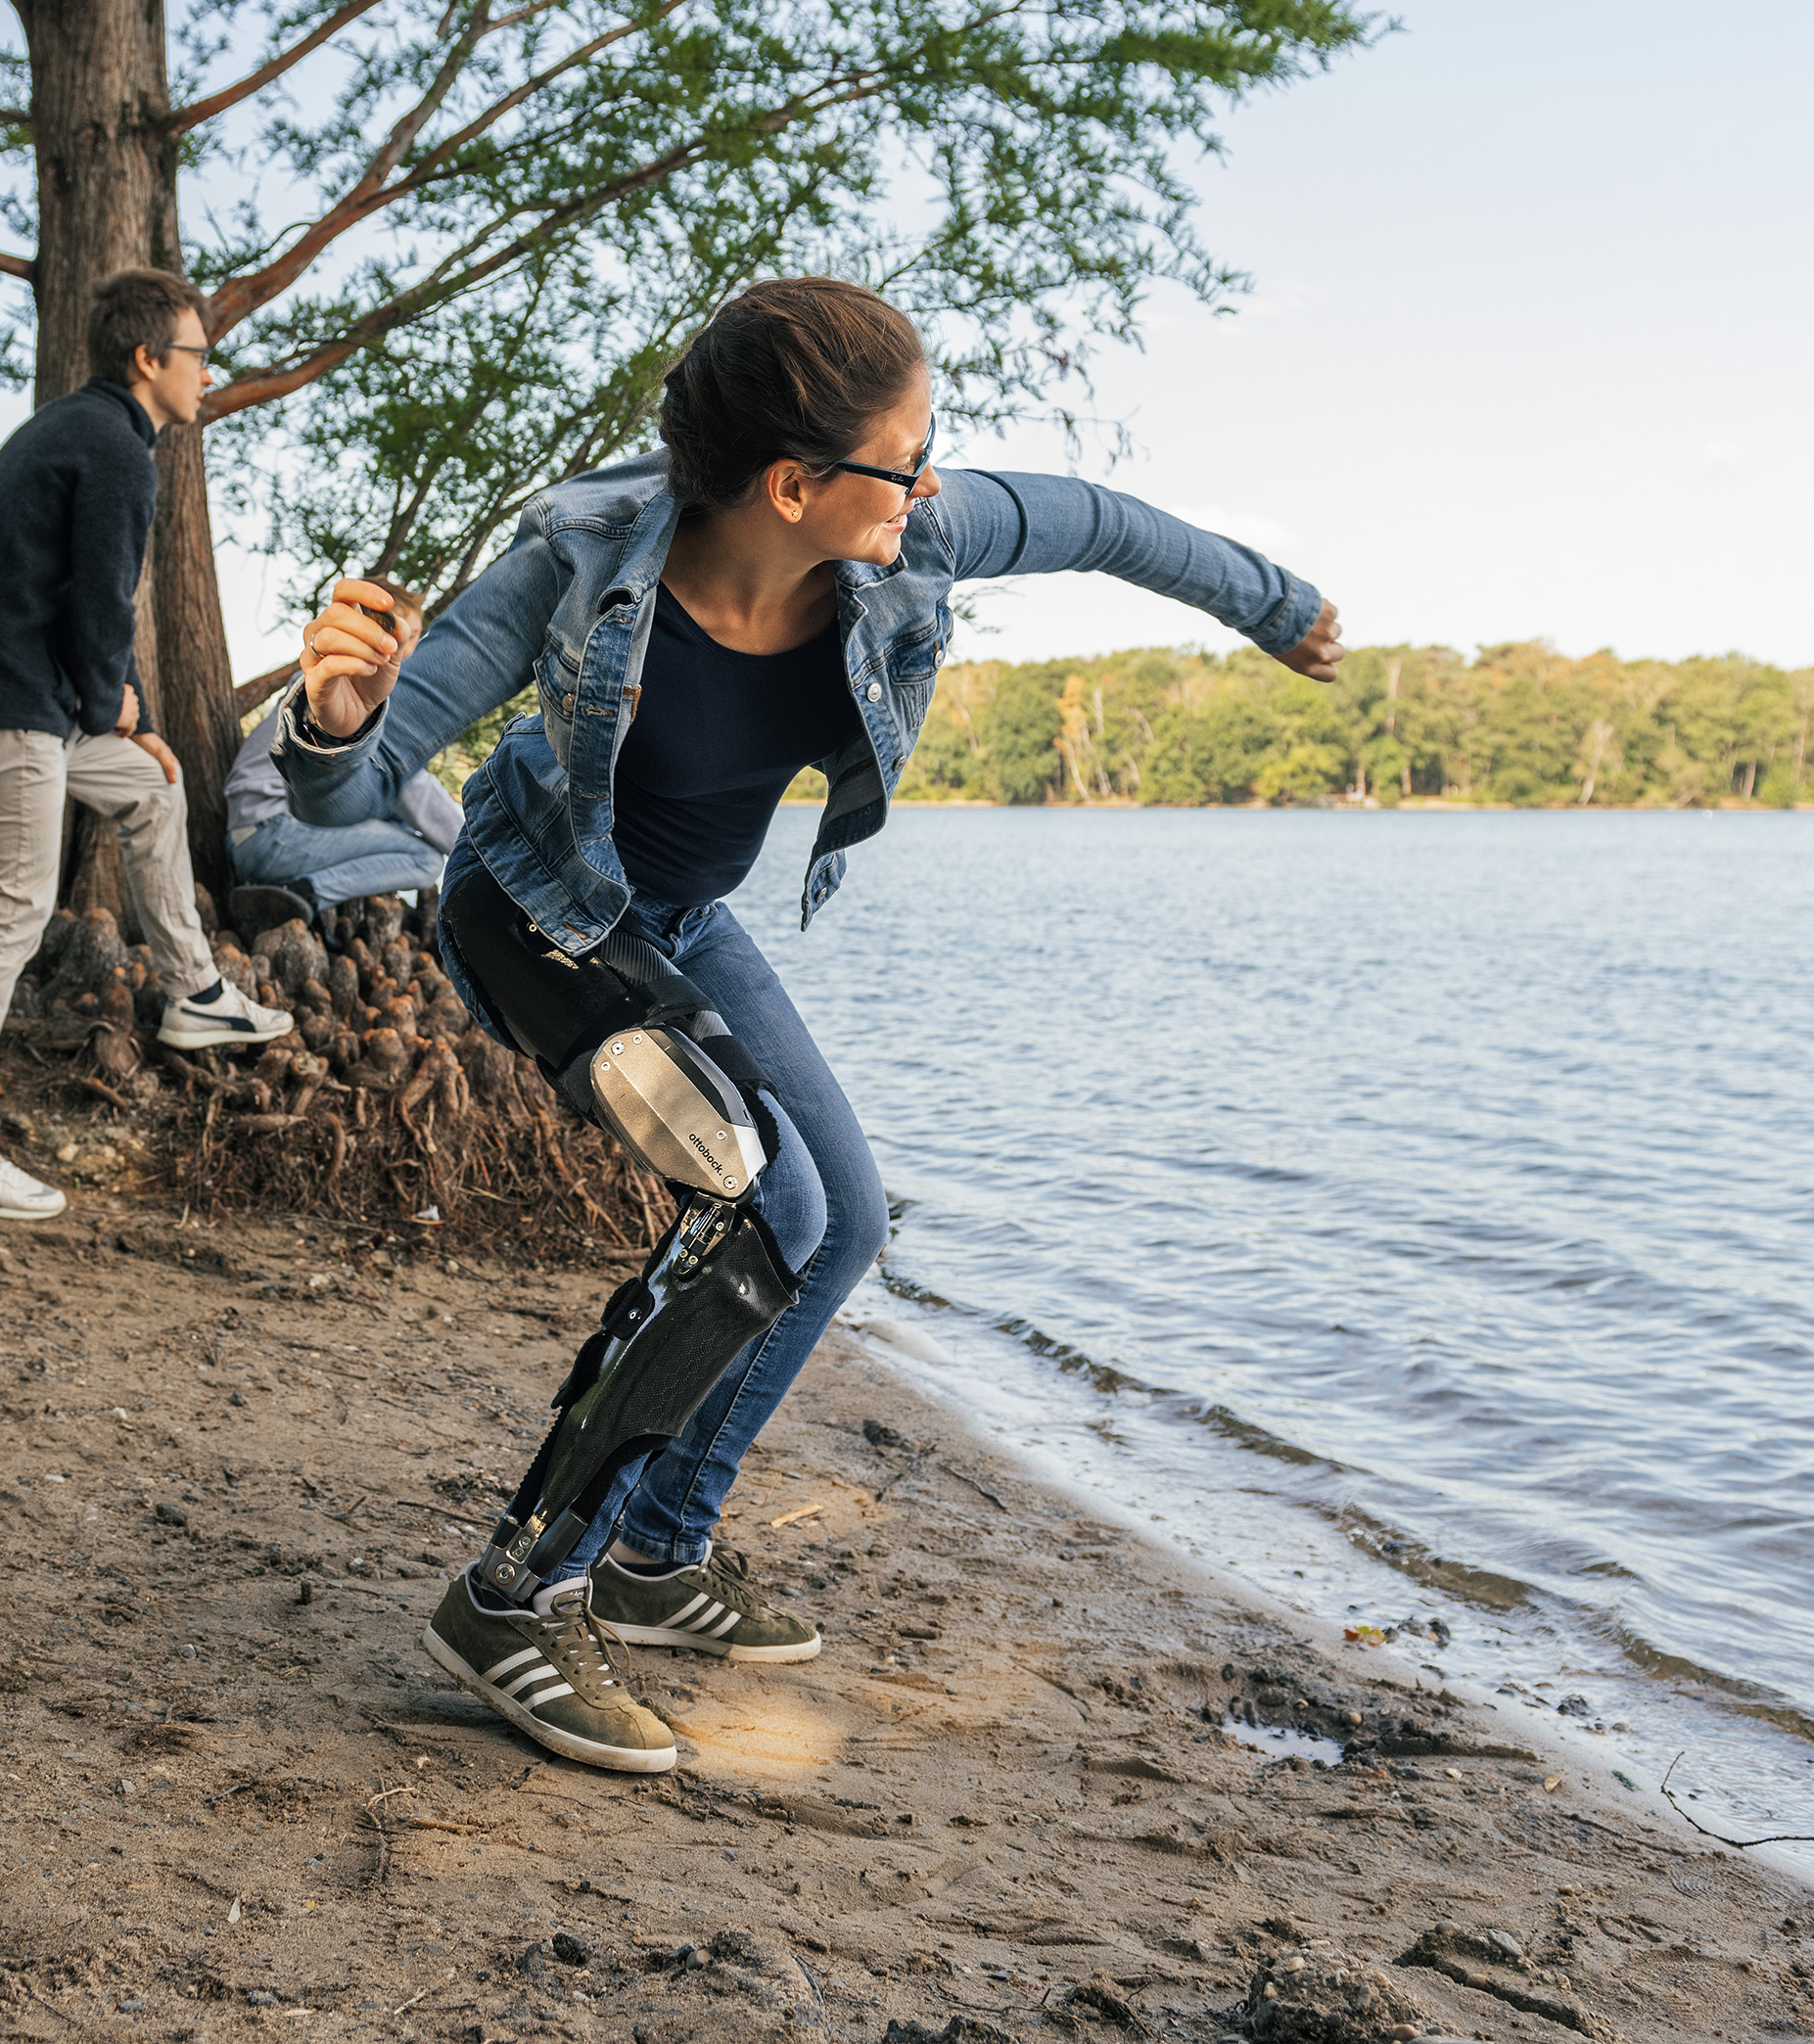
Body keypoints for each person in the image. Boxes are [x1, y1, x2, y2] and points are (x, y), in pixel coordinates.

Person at [279, 276, 1344, 1775]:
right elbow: (346, 787)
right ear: (793, 484)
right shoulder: (577, 562)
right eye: (906, 460)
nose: (930, 484)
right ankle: (518, 1592)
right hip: (535, 905)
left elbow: (1102, 521)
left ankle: (659, 1550)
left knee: (842, 1224)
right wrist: (331, 722)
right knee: (750, 1203)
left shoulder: (910, 537)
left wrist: (1274, 607)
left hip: (687, 923)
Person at [0, 267, 290, 1223]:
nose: (209, 371)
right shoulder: (116, 450)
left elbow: (104, 604)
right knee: (14, 907)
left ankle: (193, 993)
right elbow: (102, 609)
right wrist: (112, 699)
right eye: (198, 353)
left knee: (155, 785)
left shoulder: (89, 430)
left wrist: (139, 722)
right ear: (150, 358)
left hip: (24, 691)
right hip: (6, 698)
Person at [222, 693, 462, 937]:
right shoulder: (358, 701)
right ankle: (299, 893)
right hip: (271, 833)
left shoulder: (315, 688)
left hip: (250, 834)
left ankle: (297, 893)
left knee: (400, 825)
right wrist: (476, 852)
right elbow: (414, 790)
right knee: (426, 859)